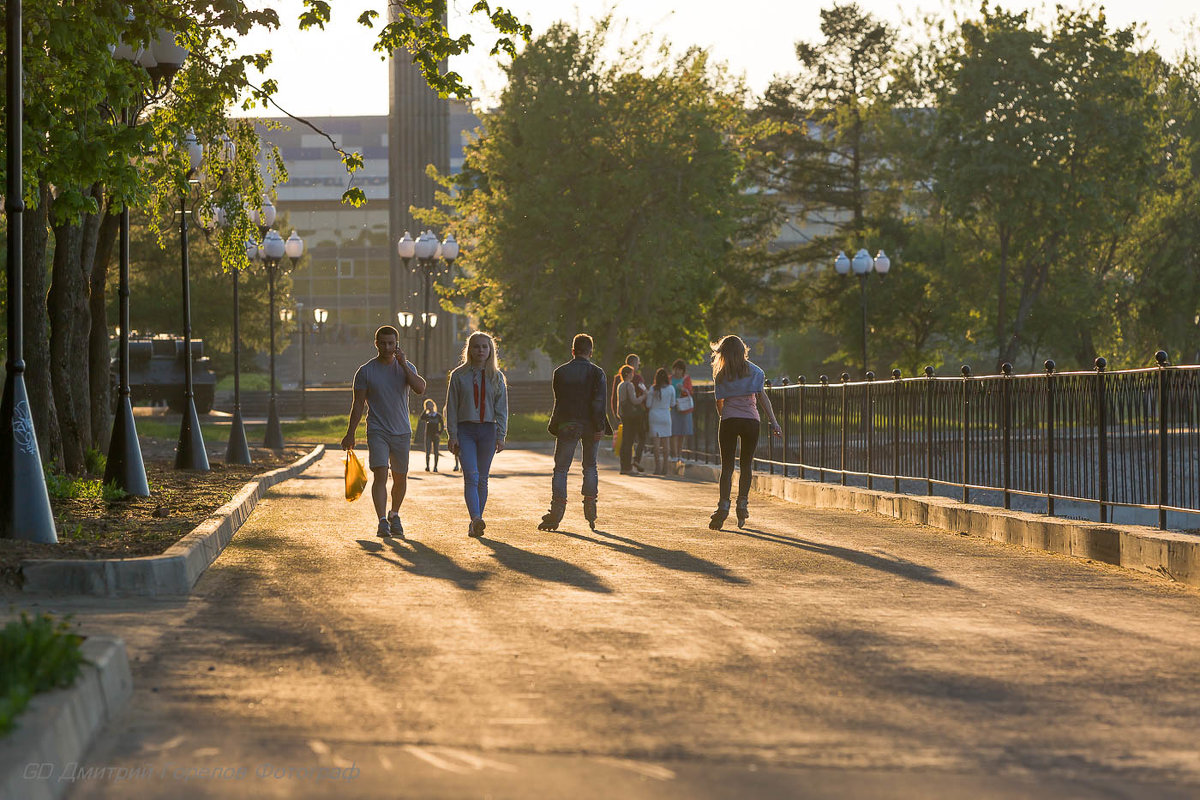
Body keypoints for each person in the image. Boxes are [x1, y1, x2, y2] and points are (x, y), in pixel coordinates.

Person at [341, 325, 427, 538]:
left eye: (392, 343)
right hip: (377, 430)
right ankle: (381, 521)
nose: (388, 347)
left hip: (401, 431)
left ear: (397, 344)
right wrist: (350, 433)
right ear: (376, 344)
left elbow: (420, 388)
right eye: (384, 343)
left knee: (400, 477)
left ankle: (394, 514)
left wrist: (404, 364)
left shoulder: (406, 367)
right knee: (380, 474)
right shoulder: (365, 371)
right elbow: (358, 405)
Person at [539, 333, 612, 531]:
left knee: (561, 469)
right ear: (591, 351)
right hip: (590, 425)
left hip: (567, 424)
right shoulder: (598, 373)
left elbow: (560, 402)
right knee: (589, 466)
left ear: (573, 351)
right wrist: (600, 427)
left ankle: (556, 512)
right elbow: (599, 403)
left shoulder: (560, 372)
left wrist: (555, 425)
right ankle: (590, 507)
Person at [708, 334, 781, 530]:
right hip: (751, 421)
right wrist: (774, 422)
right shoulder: (756, 372)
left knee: (727, 467)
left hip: (730, 421)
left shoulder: (721, 375)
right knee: (746, 464)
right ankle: (742, 505)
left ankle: (723, 507)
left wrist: (726, 418)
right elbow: (762, 398)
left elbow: (719, 403)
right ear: (743, 351)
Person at [445, 332, 509, 538]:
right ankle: (475, 518)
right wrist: (452, 434)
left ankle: (476, 522)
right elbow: (452, 407)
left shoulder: (497, 377)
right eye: (476, 346)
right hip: (466, 431)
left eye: (484, 347)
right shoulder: (458, 375)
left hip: (488, 431)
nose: (480, 350)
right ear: (469, 350)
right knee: (470, 476)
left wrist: (501, 435)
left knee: (482, 479)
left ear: (490, 351)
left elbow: (502, 408)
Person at [610, 353, 647, 472]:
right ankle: (631, 463)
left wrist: (616, 413)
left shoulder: (619, 383)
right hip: (632, 415)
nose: (633, 374)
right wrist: (644, 397)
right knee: (632, 439)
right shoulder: (630, 383)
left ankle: (624, 466)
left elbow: (615, 399)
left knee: (625, 439)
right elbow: (635, 400)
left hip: (623, 414)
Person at [643, 367, 676, 475]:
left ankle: (657, 467)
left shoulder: (653, 389)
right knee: (666, 443)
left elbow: (648, 404)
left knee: (656, 444)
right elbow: (673, 404)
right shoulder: (671, 389)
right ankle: (665, 468)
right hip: (666, 415)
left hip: (654, 416)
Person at [668, 359, 694, 467]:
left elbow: (690, 391)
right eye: (675, 369)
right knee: (674, 432)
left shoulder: (686, 379)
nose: (677, 371)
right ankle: (674, 454)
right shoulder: (670, 379)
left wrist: (683, 389)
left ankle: (680, 454)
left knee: (682, 432)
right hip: (673, 408)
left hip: (684, 408)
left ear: (683, 370)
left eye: (679, 369)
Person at [418, 398, 445, 472]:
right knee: (428, 451)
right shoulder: (427, 416)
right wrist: (425, 410)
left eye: (430, 404)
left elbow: (442, 425)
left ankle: (435, 467)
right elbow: (421, 418)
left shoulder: (438, 415)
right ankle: (427, 466)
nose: (429, 406)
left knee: (436, 451)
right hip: (428, 435)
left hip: (435, 435)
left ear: (433, 405)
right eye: (427, 405)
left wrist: (439, 432)